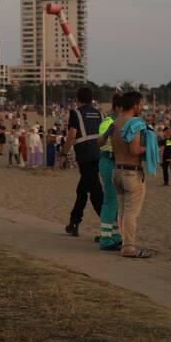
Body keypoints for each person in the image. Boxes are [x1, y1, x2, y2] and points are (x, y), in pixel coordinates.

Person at [111, 91, 152, 257]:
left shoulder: (116, 122)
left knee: (122, 210)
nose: (141, 107)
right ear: (135, 105)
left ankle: (124, 243)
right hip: (131, 172)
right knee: (131, 212)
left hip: (117, 170)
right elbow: (134, 150)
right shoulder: (134, 123)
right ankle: (128, 247)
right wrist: (149, 147)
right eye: (140, 104)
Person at [63, 87, 104, 237]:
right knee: (82, 190)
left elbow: (72, 135)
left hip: (85, 156)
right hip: (98, 154)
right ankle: (74, 222)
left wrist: (64, 153)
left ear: (77, 99)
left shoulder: (76, 113)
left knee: (95, 192)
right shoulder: (99, 113)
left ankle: (111, 226)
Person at [95, 94, 123, 251]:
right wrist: (107, 134)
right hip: (108, 162)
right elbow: (100, 143)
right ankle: (106, 238)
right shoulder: (107, 122)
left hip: (116, 164)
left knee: (114, 202)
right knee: (110, 201)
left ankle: (115, 236)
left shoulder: (120, 121)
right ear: (118, 108)